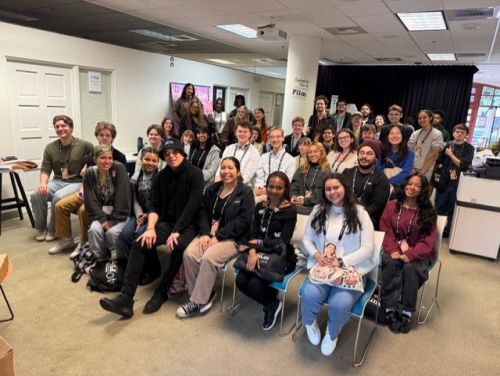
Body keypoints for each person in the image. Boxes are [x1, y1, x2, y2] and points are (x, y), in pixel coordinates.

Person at [99, 138, 204, 318]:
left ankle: (161, 293)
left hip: (188, 225)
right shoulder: (161, 176)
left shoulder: (195, 174)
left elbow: (192, 206)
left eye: (175, 153)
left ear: (183, 153)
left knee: (177, 247)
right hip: (166, 222)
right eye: (167, 154)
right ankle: (126, 299)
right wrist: (151, 228)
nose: (171, 156)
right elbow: (154, 206)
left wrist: (176, 231)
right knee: (140, 241)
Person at [301, 173, 375, 356]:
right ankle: (310, 324)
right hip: (323, 266)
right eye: (328, 189)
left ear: (345, 188)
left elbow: (367, 248)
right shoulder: (318, 210)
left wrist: (341, 261)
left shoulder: (360, 213)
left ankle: (332, 334)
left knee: (339, 304)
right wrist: (317, 255)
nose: (332, 192)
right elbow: (306, 239)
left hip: (350, 268)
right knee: (309, 296)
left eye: (336, 187)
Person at [177, 157, 255, 318]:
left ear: (238, 171)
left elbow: (244, 221)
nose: (226, 172)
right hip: (209, 234)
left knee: (208, 258)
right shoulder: (212, 189)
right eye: (223, 168)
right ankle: (200, 295)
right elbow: (202, 213)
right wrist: (205, 234)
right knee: (189, 254)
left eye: (231, 168)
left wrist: (218, 236)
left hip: (233, 238)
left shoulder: (246, 192)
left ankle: (198, 300)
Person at [51, 121, 127, 255]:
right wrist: (82, 192)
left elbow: (119, 186)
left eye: (107, 135)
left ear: (112, 137)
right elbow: (86, 178)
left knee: (83, 210)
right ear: (97, 137)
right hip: (87, 191)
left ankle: (83, 243)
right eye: (101, 135)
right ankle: (66, 240)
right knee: (59, 205)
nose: (104, 138)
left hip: (105, 197)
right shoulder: (91, 156)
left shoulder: (120, 157)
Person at [235, 172, 297, 330]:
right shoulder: (259, 206)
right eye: (271, 186)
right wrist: (252, 252)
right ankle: (271, 301)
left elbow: (282, 241)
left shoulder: (290, 210)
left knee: (255, 284)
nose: (274, 191)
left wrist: (259, 243)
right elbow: (252, 235)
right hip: (257, 252)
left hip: (280, 256)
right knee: (241, 280)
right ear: (266, 187)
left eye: (279, 188)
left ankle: (271, 303)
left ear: (285, 189)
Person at [380, 173, 438, 334]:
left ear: (423, 190)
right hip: (394, 248)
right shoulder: (392, 205)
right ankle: (389, 309)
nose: (412, 188)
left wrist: (411, 254)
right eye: (410, 183)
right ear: (404, 184)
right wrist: (393, 250)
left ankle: (406, 311)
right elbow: (386, 230)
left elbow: (428, 240)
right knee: (391, 264)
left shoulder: (428, 211)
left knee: (410, 268)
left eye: (417, 186)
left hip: (419, 251)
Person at [31, 115, 93, 242]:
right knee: (36, 195)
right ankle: (41, 228)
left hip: (76, 182)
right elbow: (45, 168)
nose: (60, 129)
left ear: (71, 128)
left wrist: (87, 166)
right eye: (57, 127)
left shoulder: (85, 145)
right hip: (58, 181)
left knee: (58, 197)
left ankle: (53, 229)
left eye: (63, 126)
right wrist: (43, 183)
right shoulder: (50, 147)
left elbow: (95, 159)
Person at [115, 148, 160, 273]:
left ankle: (151, 270)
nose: (150, 163)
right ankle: (127, 267)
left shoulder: (162, 178)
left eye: (154, 161)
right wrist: (140, 215)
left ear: (158, 162)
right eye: (147, 159)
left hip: (156, 215)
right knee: (124, 236)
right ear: (141, 160)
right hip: (139, 214)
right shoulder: (134, 178)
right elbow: (134, 200)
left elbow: (162, 203)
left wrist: (148, 215)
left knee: (140, 235)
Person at [83, 145, 131, 260]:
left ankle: (123, 259)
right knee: (94, 230)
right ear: (95, 159)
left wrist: (112, 221)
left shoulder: (119, 168)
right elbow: (90, 201)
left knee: (112, 233)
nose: (107, 161)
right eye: (103, 158)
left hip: (120, 215)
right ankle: (101, 259)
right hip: (102, 214)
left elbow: (123, 198)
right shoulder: (90, 173)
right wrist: (102, 219)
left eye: (110, 158)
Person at [434, 124, 474, 237]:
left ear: (466, 134)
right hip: (443, 179)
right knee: (439, 204)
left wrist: (451, 155)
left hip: (456, 181)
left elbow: (463, 165)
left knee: (451, 206)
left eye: (462, 132)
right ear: (453, 133)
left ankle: (447, 230)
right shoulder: (448, 144)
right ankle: (436, 228)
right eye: (457, 131)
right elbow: (440, 160)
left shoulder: (469, 148)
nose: (459, 134)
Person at [343, 140, 390, 229]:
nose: (364, 156)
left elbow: (376, 206)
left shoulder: (381, 179)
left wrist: (356, 215)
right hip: (344, 213)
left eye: (369, 154)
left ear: (376, 157)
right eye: (362, 153)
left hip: (367, 219)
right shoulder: (347, 173)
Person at [254, 126, 296, 201]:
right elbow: (259, 177)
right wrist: (259, 187)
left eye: (278, 137)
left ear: (283, 138)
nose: (275, 139)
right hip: (263, 192)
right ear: (269, 139)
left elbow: (287, 182)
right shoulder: (263, 157)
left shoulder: (291, 160)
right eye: (272, 137)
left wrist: (269, 190)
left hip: (280, 194)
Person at [291, 142, 330, 214]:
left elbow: (322, 193)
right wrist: (294, 197)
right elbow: (294, 186)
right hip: (297, 207)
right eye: (310, 152)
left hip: (316, 209)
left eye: (316, 151)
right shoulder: (301, 169)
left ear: (321, 153)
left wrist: (306, 201)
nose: (312, 154)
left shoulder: (326, 171)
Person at [407, 110, 444, 181]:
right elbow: (409, 151)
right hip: (411, 168)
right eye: (419, 118)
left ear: (430, 118)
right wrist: (410, 168)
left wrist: (421, 173)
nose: (421, 120)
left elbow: (433, 155)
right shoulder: (415, 133)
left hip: (425, 170)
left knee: (421, 190)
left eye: (424, 117)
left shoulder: (437, 134)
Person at [377, 124, 415, 189]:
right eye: (391, 133)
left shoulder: (410, 153)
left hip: (399, 186)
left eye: (398, 133)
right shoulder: (382, 151)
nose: (395, 136)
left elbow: (406, 172)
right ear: (387, 136)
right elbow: (378, 169)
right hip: (381, 183)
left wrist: (389, 182)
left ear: (402, 136)